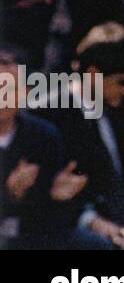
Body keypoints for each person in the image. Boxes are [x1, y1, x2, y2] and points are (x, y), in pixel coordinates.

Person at [40, 24, 124, 249]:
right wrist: (92, 222)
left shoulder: (122, 114)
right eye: (121, 82)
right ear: (92, 74)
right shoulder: (50, 114)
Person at [0, 44, 93, 250]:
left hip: (33, 235)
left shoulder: (43, 136)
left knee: (95, 244)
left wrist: (58, 197)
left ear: (26, 92)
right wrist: (9, 194)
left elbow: (53, 220)